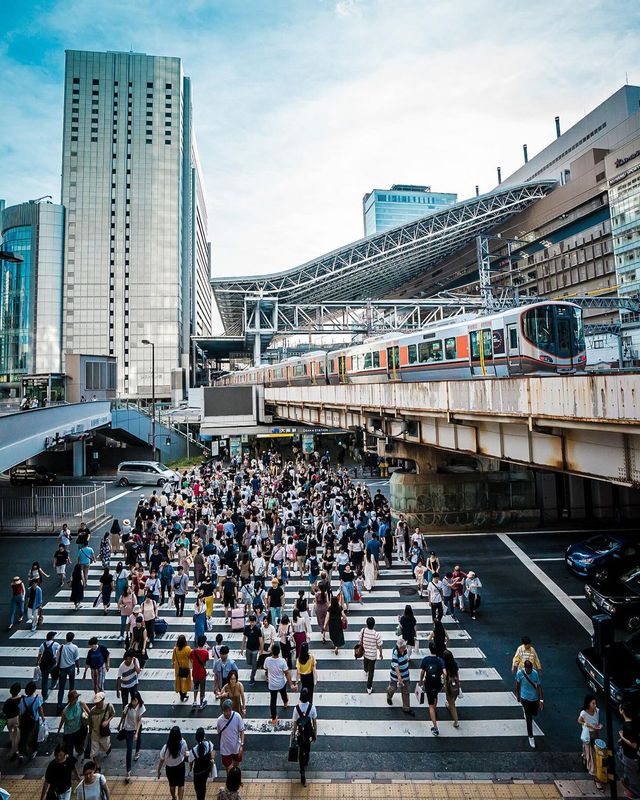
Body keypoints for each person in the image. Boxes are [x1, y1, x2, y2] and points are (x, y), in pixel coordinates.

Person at [264, 642, 297, 726]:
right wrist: (291, 684)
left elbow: (266, 668)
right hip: (281, 683)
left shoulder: (267, 660)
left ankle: (274, 718)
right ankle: (285, 703)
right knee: (283, 693)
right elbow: (287, 673)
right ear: (279, 652)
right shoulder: (282, 661)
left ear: (272, 651)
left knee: (273, 701)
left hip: (272, 684)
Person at [291, 686, 318, 786]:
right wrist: (315, 733)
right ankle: (306, 760)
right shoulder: (312, 708)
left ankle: (302, 770)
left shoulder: (296, 708)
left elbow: (294, 724)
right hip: (308, 734)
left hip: (300, 735)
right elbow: (314, 723)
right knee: (307, 749)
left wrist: (293, 734)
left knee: (300, 751)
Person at [418, 641, 446, 735]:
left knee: (430, 704)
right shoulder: (440, 660)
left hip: (429, 683)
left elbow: (422, 672)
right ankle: (435, 708)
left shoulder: (426, 659)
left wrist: (421, 681)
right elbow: (445, 673)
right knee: (435, 695)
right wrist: (444, 682)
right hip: (438, 683)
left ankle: (435, 727)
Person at [515, 659, 543, 749]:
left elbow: (538, 686)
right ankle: (531, 736)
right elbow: (517, 685)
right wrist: (518, 696)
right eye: (528, 669)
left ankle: (527, 713)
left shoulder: (535, 673)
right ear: (525, 668)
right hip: (525, 698)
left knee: (534, 713)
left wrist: (541, 700)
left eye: (531, 669)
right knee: (529, 719)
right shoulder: (520, 673)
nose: (530, 671)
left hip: (534, 699)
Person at [117, 690, 145, 782]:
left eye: (135, 700)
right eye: (133, 700)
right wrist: (120, 725)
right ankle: (128, 771)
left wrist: (136, 733)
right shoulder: (128, 707)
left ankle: (137, 751)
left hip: (136, 727)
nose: (134, 702)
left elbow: (139, 720)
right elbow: (123, 716)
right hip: (128, 729)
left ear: (138, 700)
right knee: (129, 749)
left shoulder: (141, 707)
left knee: (138, 739)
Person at [578, 694, 604, 787]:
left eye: (595, 703)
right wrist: (589, 725)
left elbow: (597, 722)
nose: (595, 705)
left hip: (596, 734)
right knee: (593, 755)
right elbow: (579, 721)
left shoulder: (597, 711)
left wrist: (599, 726)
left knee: (591, 751)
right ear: (588, 703)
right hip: (587, 735)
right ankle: (596, 778)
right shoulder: (583, 713)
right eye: (593, 703)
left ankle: (584, 756)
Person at [158, 725, 189, 800]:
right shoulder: (183, 743)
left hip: (170, 768)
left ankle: (173, 797)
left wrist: (158, 771)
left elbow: (161, 760)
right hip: (180, 766)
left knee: (172, 785)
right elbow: (186, 753)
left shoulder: (166, 747)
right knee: (181, 784)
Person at [57, 689, 90, 756]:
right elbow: (62, 721)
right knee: (69, 750)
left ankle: (79, 750)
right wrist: (58, 730)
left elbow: (90, 713)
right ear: (70, 699)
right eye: (75, 698)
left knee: (79, 745)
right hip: (69, 732)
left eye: (77, 697)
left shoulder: (81, 704)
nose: (76, 699)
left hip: (79, 729)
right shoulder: (65, 710)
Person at [88, 691, 115, 770]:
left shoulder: (108, 706)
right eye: (96, 703)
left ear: (103, 700)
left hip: (103, 734)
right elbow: (90, 723)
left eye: (99, 702)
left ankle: (108, 748)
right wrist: (90, 733)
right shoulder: (92, 711)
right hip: (95, 734)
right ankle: (97, 766)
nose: (97, 704)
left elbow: (113, 714)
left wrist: (107, 721)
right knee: (94, 752)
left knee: (106, 747)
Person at [617, 701, 640, 798]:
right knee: (626, 768)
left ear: (622, 711)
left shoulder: (628, 727)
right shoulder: (633, 722)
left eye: (620, 708)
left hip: (630, 755)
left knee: (632, 774)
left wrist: (622, 737)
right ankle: (626, 780)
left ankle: (635, 793)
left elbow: (634, 745)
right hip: (627, 753)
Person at [216, 699, 245, 773]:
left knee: (236, 767)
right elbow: (219, 733)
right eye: (224, 711)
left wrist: (241, 745)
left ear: (231, 709)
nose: (226, 713)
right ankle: (230, 782)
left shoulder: (237, 716)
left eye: (228, 710)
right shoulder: (219, 720)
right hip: (225, 749)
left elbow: (242, 731)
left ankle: (235, 782)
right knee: (229, 769)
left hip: (236, 747)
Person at [386, 637, 414, 716]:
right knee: (393, 688)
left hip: (405, 675)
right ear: (399, 647)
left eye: (404, 647)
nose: (404, 649)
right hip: (395, 676)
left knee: (406, 692)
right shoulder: (395, 651)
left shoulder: (405, 650)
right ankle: (389, 695)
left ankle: (406, 708)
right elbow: (396, 665)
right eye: (402, 648)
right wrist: (399, 677)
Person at [18, 680, 44, 762]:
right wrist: (42, 717)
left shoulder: (22, 700)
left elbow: (20, 712)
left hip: (24, 721)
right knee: (34, 736)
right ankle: (33, 751)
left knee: (23, 736)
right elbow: (40, 709)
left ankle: (21, 753)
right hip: (34, 720)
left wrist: (19, 722)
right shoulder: (37, 699)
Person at [56, 632, 81, 714]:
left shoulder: (61, 647)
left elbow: (57, 658)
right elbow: (76, 659)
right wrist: (78, 668)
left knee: (61, 687)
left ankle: (59, 704)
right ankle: (71, 701)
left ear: (66, 638)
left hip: (62, 668)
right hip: (71, 668)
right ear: (73, 638)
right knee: (71, 686)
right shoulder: (75, 647)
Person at [189, 726, 215, 800]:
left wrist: (191, 769)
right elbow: (212, 753)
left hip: (197, 772)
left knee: (198, 788)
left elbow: (190, 761)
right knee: (203, 785)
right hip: (206, 769)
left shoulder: (193, 751)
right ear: (204, 736)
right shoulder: (209, 744)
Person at [359, 616, 384, 694]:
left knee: (365, 663)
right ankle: (369, 688)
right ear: (374, 625)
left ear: (367, 624)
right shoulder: (376, 634)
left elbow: (360, 640)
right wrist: (381, 654)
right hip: (373, 656)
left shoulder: (363, 631)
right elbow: (380, 645)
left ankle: (366, 670)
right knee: (371, 672)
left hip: (364, 653)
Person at [240, 614, 263, 685]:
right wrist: (242, 648)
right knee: (248, 662)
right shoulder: (246, 628)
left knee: (253, 664)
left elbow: (260, 640)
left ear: (255, 622)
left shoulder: (258, 629)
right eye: (251, 622)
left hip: (255, 649)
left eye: (253, 622)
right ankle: (255, 665)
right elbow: (244, 638)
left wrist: (261, 649)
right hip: (248, 648)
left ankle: (252, 677)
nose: (252, 623)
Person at [37, 630, 60, 702]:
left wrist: (37, 662)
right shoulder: (55, 644)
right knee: (54, 676)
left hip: (43, 665)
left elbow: (39, 655)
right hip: (52, 664)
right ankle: (53, 685)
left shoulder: (42, 645)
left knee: (44, 680)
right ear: (52, 637)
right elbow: (60, 650)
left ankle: (44, 695)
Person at [190, 634, 210, 710]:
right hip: (202, 673)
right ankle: (201, 703)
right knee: (202, 688)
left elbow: (191, 662)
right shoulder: (205, 653)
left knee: (195, 686)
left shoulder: (193, 652)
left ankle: (195, 701)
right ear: (204, 643)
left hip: (195, 672)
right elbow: (205, 663)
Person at [3, 682, 22, 759]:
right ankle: (16, 749)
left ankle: (12, 743)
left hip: (9, 719)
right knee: (17, 733)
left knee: (11, 732)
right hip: (17, 718)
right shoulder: (21, 699)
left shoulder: (8, 701)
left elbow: (4, 710)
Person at [442, 649, 461, 728]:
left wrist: (443, 684)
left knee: (451, 703)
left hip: (449, 685)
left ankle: (456, 721)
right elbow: (457, 673)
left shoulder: (445, 666)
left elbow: (444, 676)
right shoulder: (454, 664)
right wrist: (459, 683)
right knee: (454, 696)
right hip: (455, 683)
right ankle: (449, 705)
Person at [173, 634, 192, 702]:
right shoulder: (187, 649)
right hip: (185, 667)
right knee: (185, 681)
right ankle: (184, 693)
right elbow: (191, 657)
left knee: (179, 681)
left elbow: (173, 658)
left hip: (178, 668)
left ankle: (181, 694)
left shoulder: (175, 649)